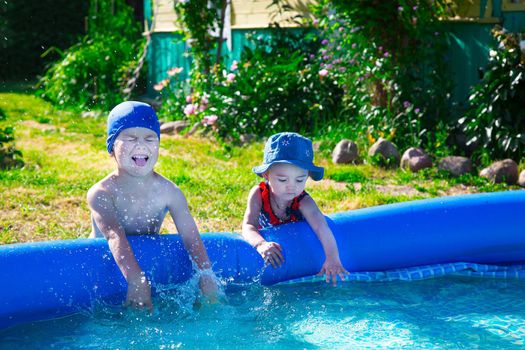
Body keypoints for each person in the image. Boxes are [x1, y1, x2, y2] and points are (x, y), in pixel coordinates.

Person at [87, 101, 218, 310]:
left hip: (145, 265)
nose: (141, 145)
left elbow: (191, 237)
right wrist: (136, 278)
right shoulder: (102, 193)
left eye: (149, 138)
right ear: (112, 146)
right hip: (106, 265)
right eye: (130, 138)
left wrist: (206, 275)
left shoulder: (169, 192)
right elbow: (114, 235)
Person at [242, 132, 348, 285]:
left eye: (300, 179)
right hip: (270, 247)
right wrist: (261, 244)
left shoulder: (304, 202)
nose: (291, 186)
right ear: (266, 174)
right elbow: (248, 225)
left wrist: (332, 258)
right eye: (282, 179)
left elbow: (321, 228)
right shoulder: (259, 194)